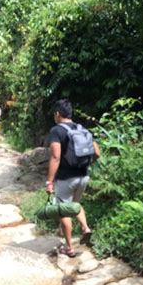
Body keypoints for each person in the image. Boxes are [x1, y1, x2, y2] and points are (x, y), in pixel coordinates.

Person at [46, 99, 100, 257]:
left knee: (64, 211)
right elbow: (97, 152)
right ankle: (85, 228)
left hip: (66, 178)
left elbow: (55, 157)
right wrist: (86, 164)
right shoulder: (81, 128)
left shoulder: (57, 130)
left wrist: (49, 181)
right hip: (83, 176)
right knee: (75, 204)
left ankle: (69, 248)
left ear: (57, 114)